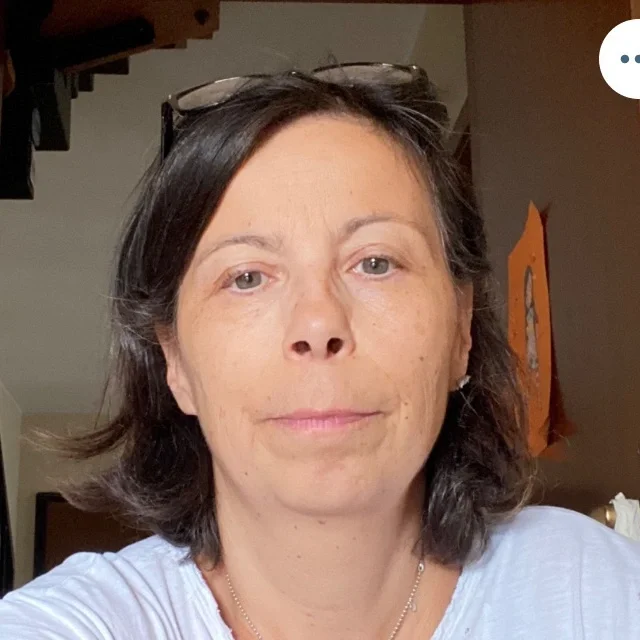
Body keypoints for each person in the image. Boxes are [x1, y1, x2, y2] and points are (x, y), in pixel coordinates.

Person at [1, 62, 639, 640]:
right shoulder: (85, 622)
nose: (317, 323)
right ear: (176, 363)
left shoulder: (599, 590)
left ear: (461, 331)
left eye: (376, 262)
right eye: (246, 277)